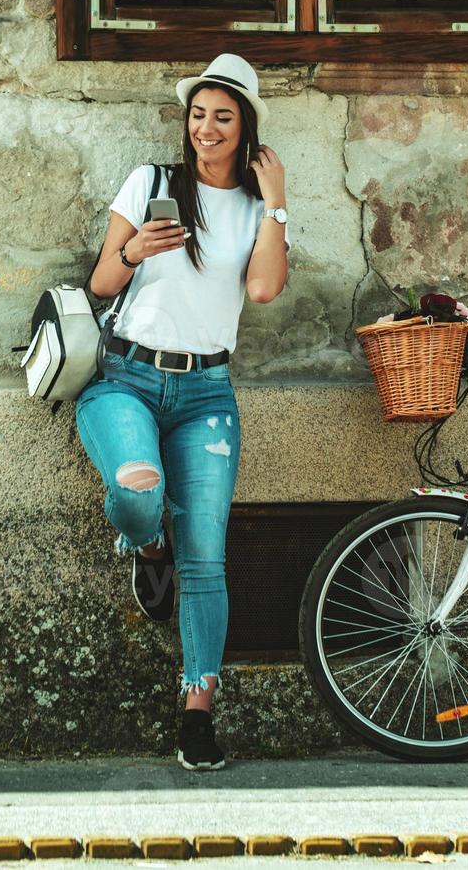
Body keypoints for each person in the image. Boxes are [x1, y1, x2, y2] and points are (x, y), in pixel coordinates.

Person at [76, 53, 291, 771]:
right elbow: (102, 282)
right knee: (139, 496)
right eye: (198, 115)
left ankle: (197, 711)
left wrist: (278, 199)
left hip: (206, 397)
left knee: (209, 559)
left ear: (245, 126)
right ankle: (147, 549)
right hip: (126, 379)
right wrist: (135, 248)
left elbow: (262, 291)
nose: (206, 128)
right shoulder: (151, 183)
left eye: (222, 117)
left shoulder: (257, 210)